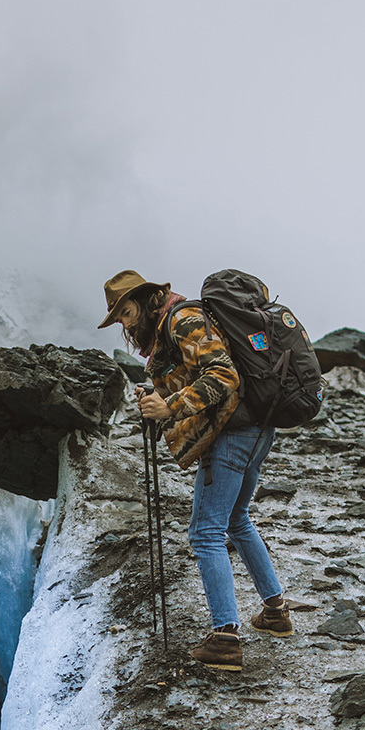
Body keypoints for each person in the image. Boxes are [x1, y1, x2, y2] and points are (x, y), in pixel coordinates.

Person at [98, 269, 292, 671]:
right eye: (119, 319)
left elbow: (223, 375)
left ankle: (225, 638)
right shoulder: (171, 326)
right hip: (255, 429)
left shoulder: (184, 319)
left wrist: (169, 406)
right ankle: (276, 612)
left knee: (205, 532)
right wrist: (158, 394)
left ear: (148, 300)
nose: (126, 324)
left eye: (128, 313)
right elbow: (196, 376)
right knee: (236, 519)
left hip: (232, 434)